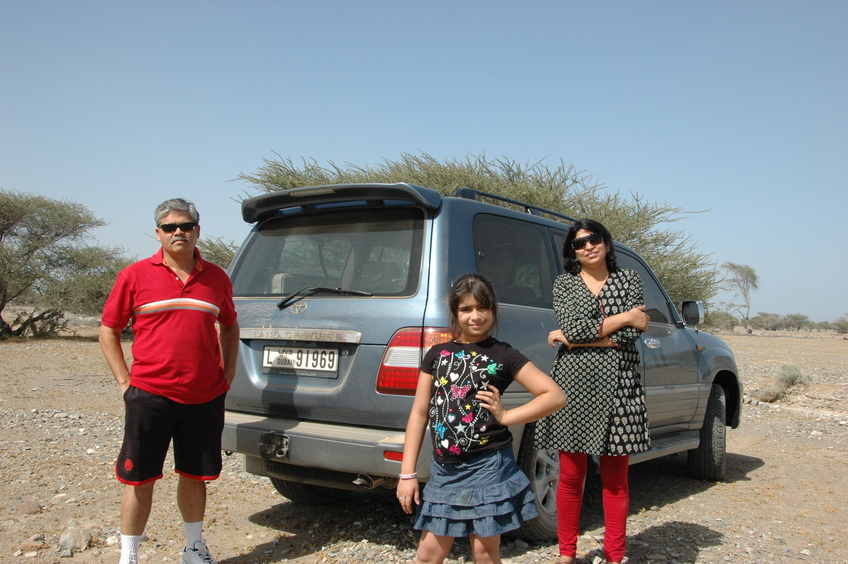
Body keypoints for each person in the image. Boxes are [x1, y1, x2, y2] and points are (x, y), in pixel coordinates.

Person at [99, 198, 239, 564]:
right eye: (170, 227)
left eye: (186, 226)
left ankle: (194, 548)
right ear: (158, 233)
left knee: (195, 475)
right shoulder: (134, 275)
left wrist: (228, 374)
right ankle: (128, 556)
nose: (179, 232)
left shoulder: (217, 277)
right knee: (139, 479)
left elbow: (229, 325)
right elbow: (108, 330)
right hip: (149, 395)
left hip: (205, 396)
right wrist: (123, 382)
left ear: (197, 230)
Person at [398, 273, 567, 564]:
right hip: (444, 471)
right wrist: (407, 473)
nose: (475, 316)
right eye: (466, 309)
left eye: (483, 308)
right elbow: (419, 413)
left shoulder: (504, 354)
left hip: (489, 467)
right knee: (428, 554)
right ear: (455, 312)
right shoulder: (437, 354)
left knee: (484, 553)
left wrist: (507, 415)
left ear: (493, 310)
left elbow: (554, 396)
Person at [533, 219, 651, 564]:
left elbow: (631, 336)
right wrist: (624, 317)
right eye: (579, 243)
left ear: (607, 243)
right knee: (570, 475)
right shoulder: (565, 284)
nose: (588, 246)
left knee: (616, 479)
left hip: (620, 383)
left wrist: (576, 339)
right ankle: (567, 554)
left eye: (594, 239)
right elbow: (574, 326)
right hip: (574, 384)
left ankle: (615, 556)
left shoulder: (629, 280)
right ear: (573, 252)